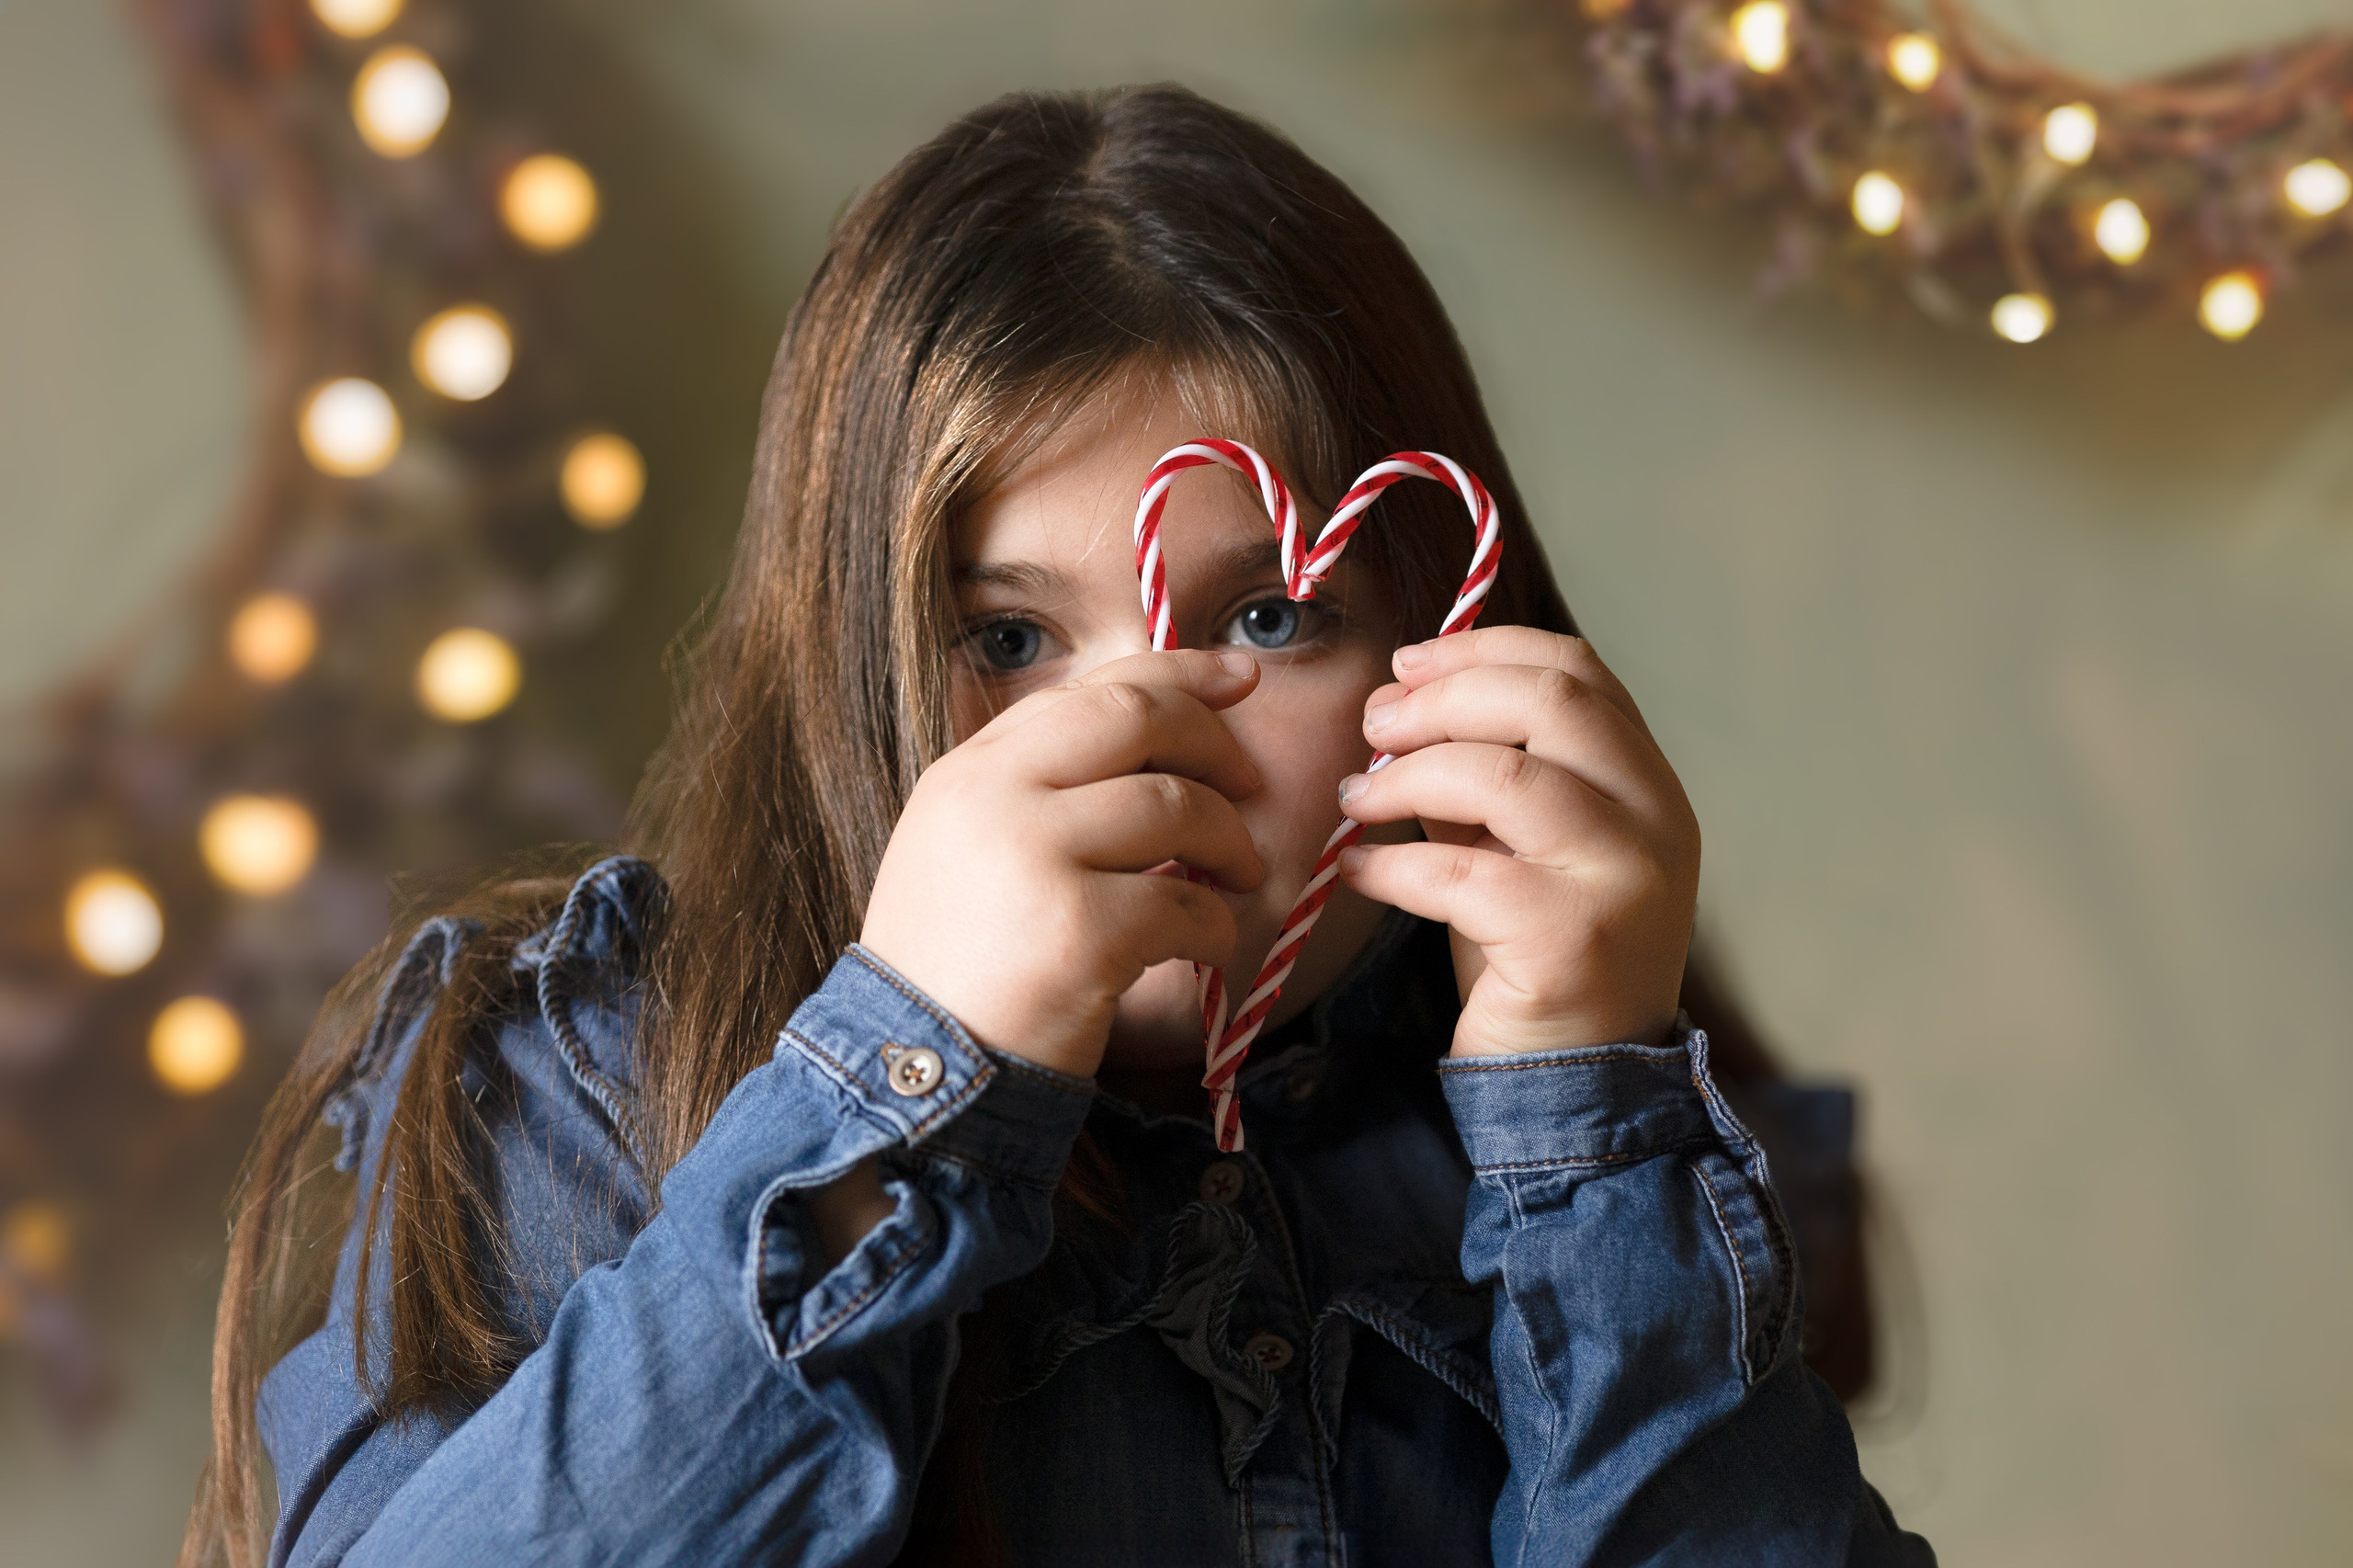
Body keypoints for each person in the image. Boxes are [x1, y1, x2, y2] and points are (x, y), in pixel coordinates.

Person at [184, 85, 1931, 1567]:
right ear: (857, 653)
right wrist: (904, 1072)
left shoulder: (1599, 1144)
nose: (1142, 735)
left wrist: (1591, 1120)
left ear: (1441, 639)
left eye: (1264, 619)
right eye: (1010, 640)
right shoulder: (570, 1079)